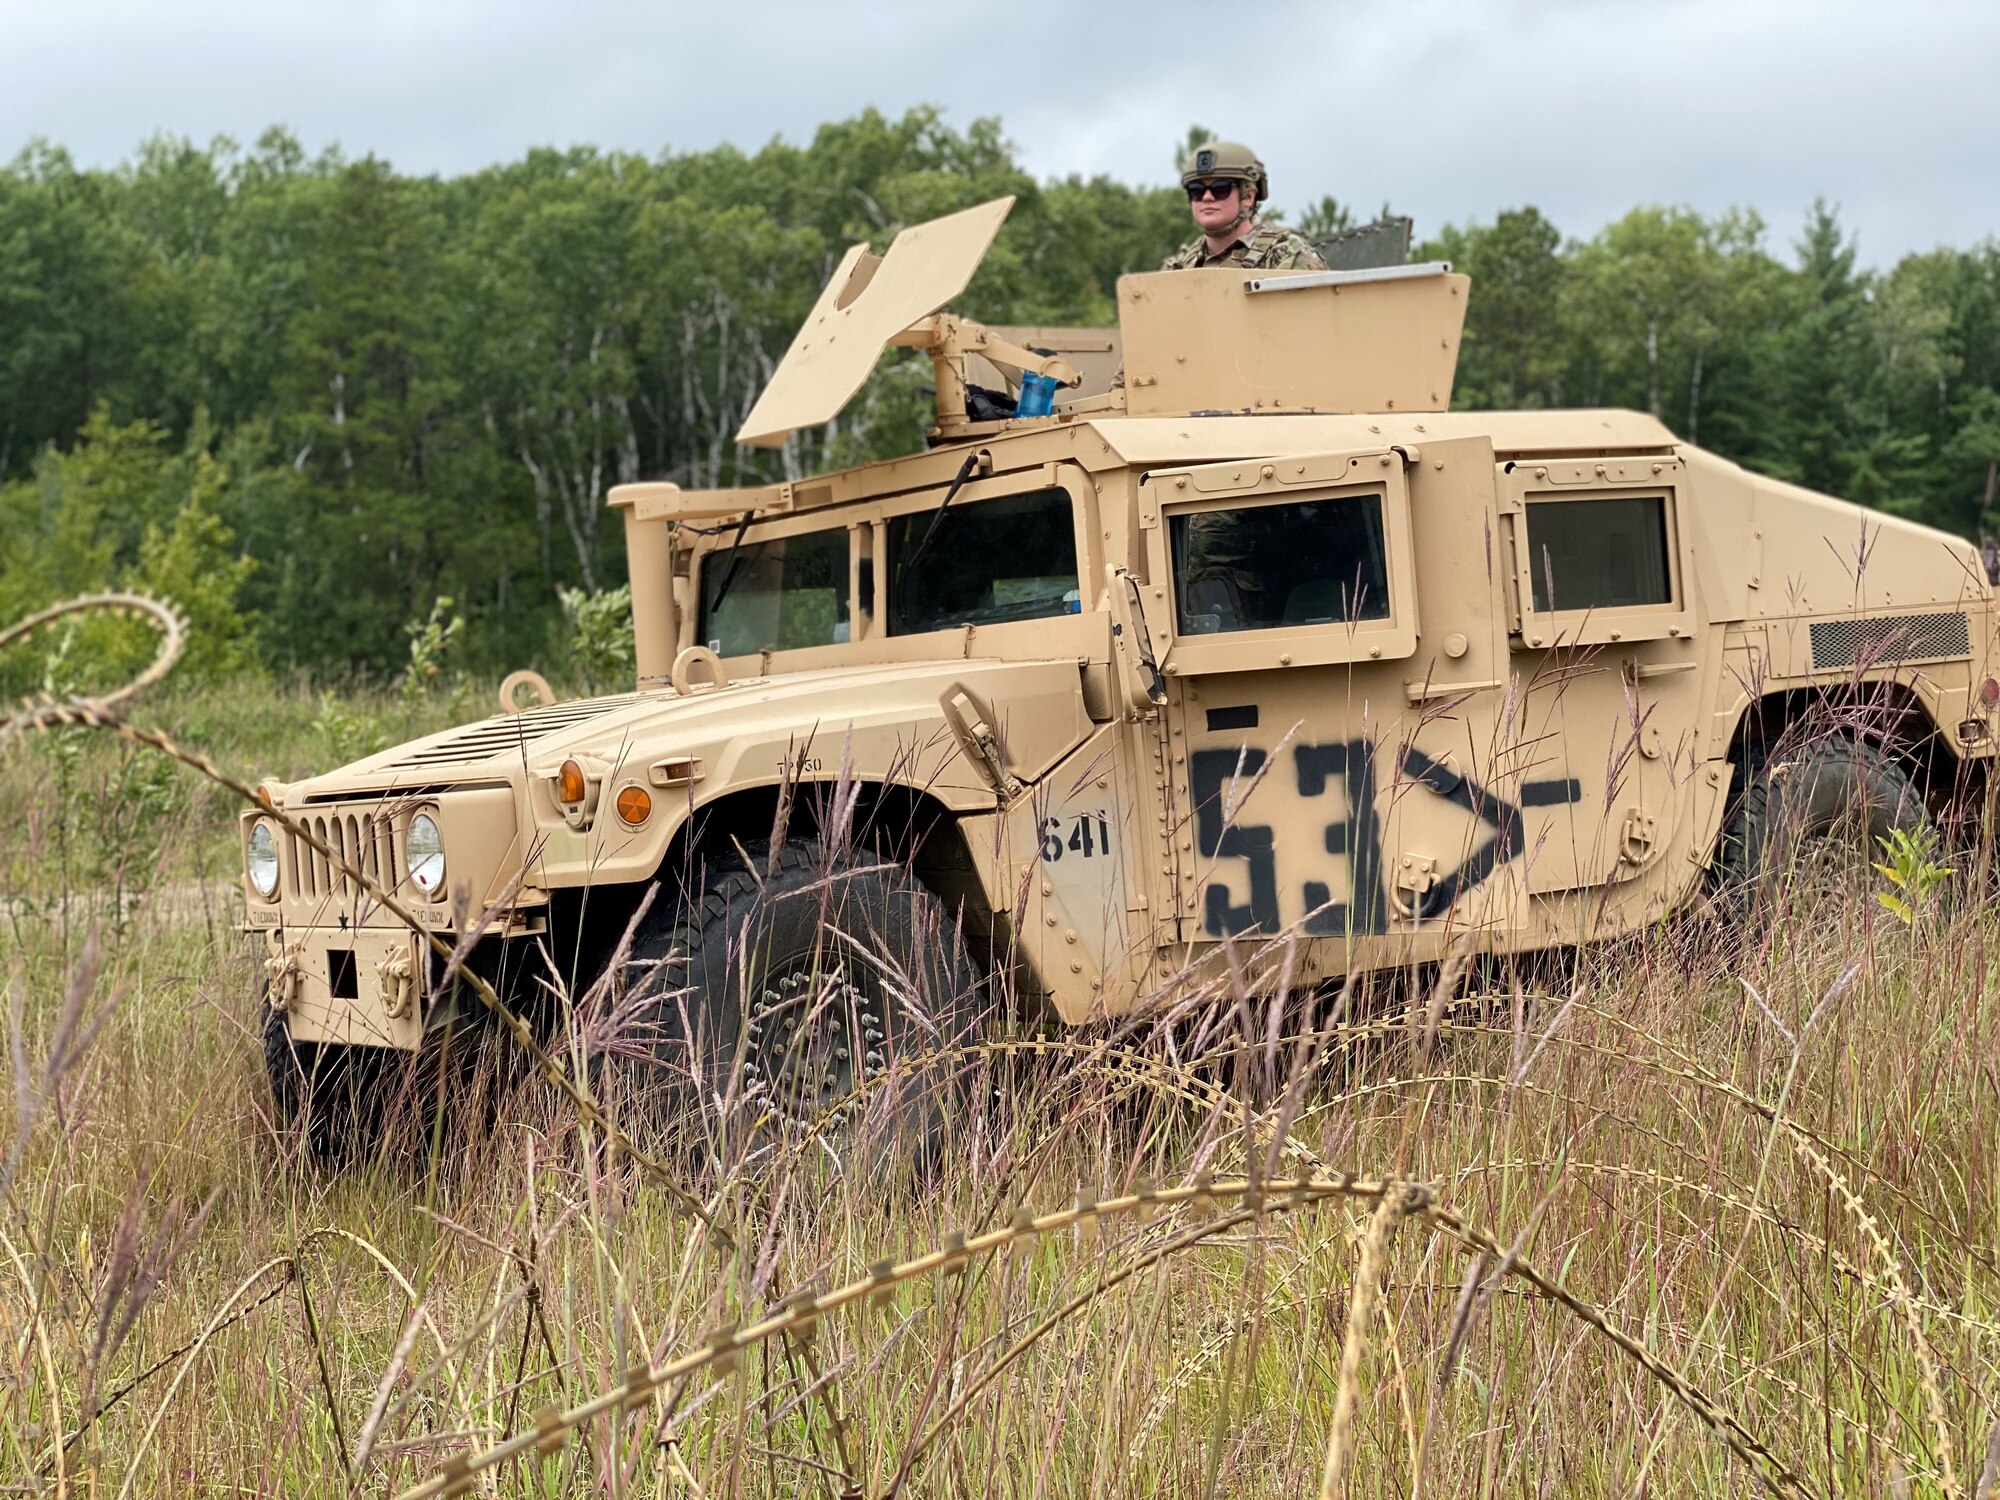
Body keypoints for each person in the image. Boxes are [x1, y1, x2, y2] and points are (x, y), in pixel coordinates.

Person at [1164, 141, 1328, 272]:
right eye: (1196, 190)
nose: (1207, 197)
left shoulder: (1287, 257)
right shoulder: (1179, 266)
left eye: (1221, 189)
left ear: (1248, 197)